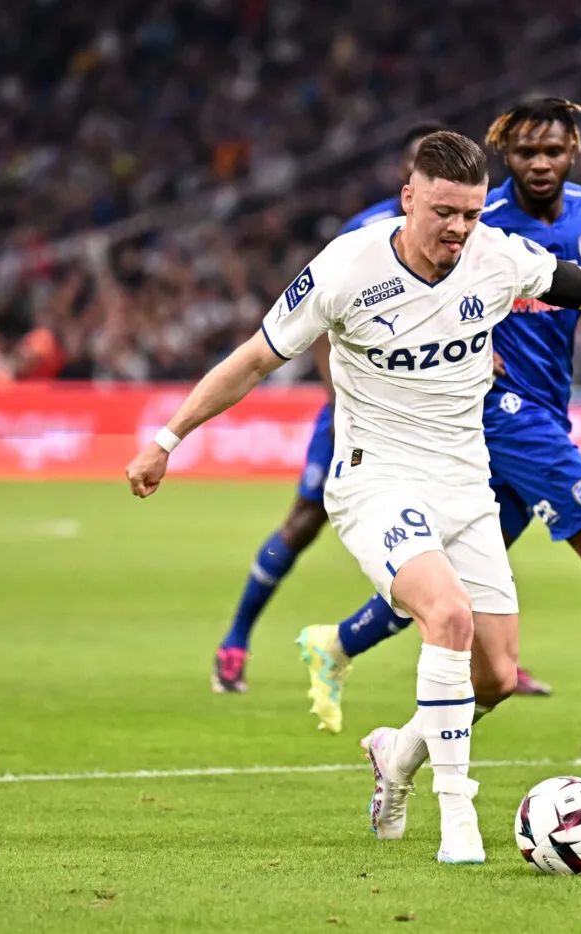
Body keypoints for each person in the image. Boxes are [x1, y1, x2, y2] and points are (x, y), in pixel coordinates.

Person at [125, 131, 581, 865]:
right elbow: (256, 356)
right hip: (374, 477)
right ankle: (457, 822)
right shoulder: (347, 267)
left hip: (462, 482)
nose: (458, 229)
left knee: (497, 676)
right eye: (444, 211)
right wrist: (167, 438)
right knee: (447, 616)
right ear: (409, 197)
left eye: (471, 213)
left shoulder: (496, 257)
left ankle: (397, 752)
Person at [294, 99, 581, 777]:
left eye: (551, 150)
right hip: (500, 410)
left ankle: (341, 651)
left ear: (574, 147)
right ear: (503, 158)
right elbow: (411, 276)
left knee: (452, 597)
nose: (539, 164)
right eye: (524, 153)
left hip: (548, 403)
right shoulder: (479, 221)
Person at [211, 120, 445, 694]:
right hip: (356, 408)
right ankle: (236, 639)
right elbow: (319, 324)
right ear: (404, 175)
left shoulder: (467, 234)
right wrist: (340, 401)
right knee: (303, 522)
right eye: (425, 164)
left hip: (430, 414)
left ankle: (482, 657)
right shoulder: (364, 232)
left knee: (455, 536)